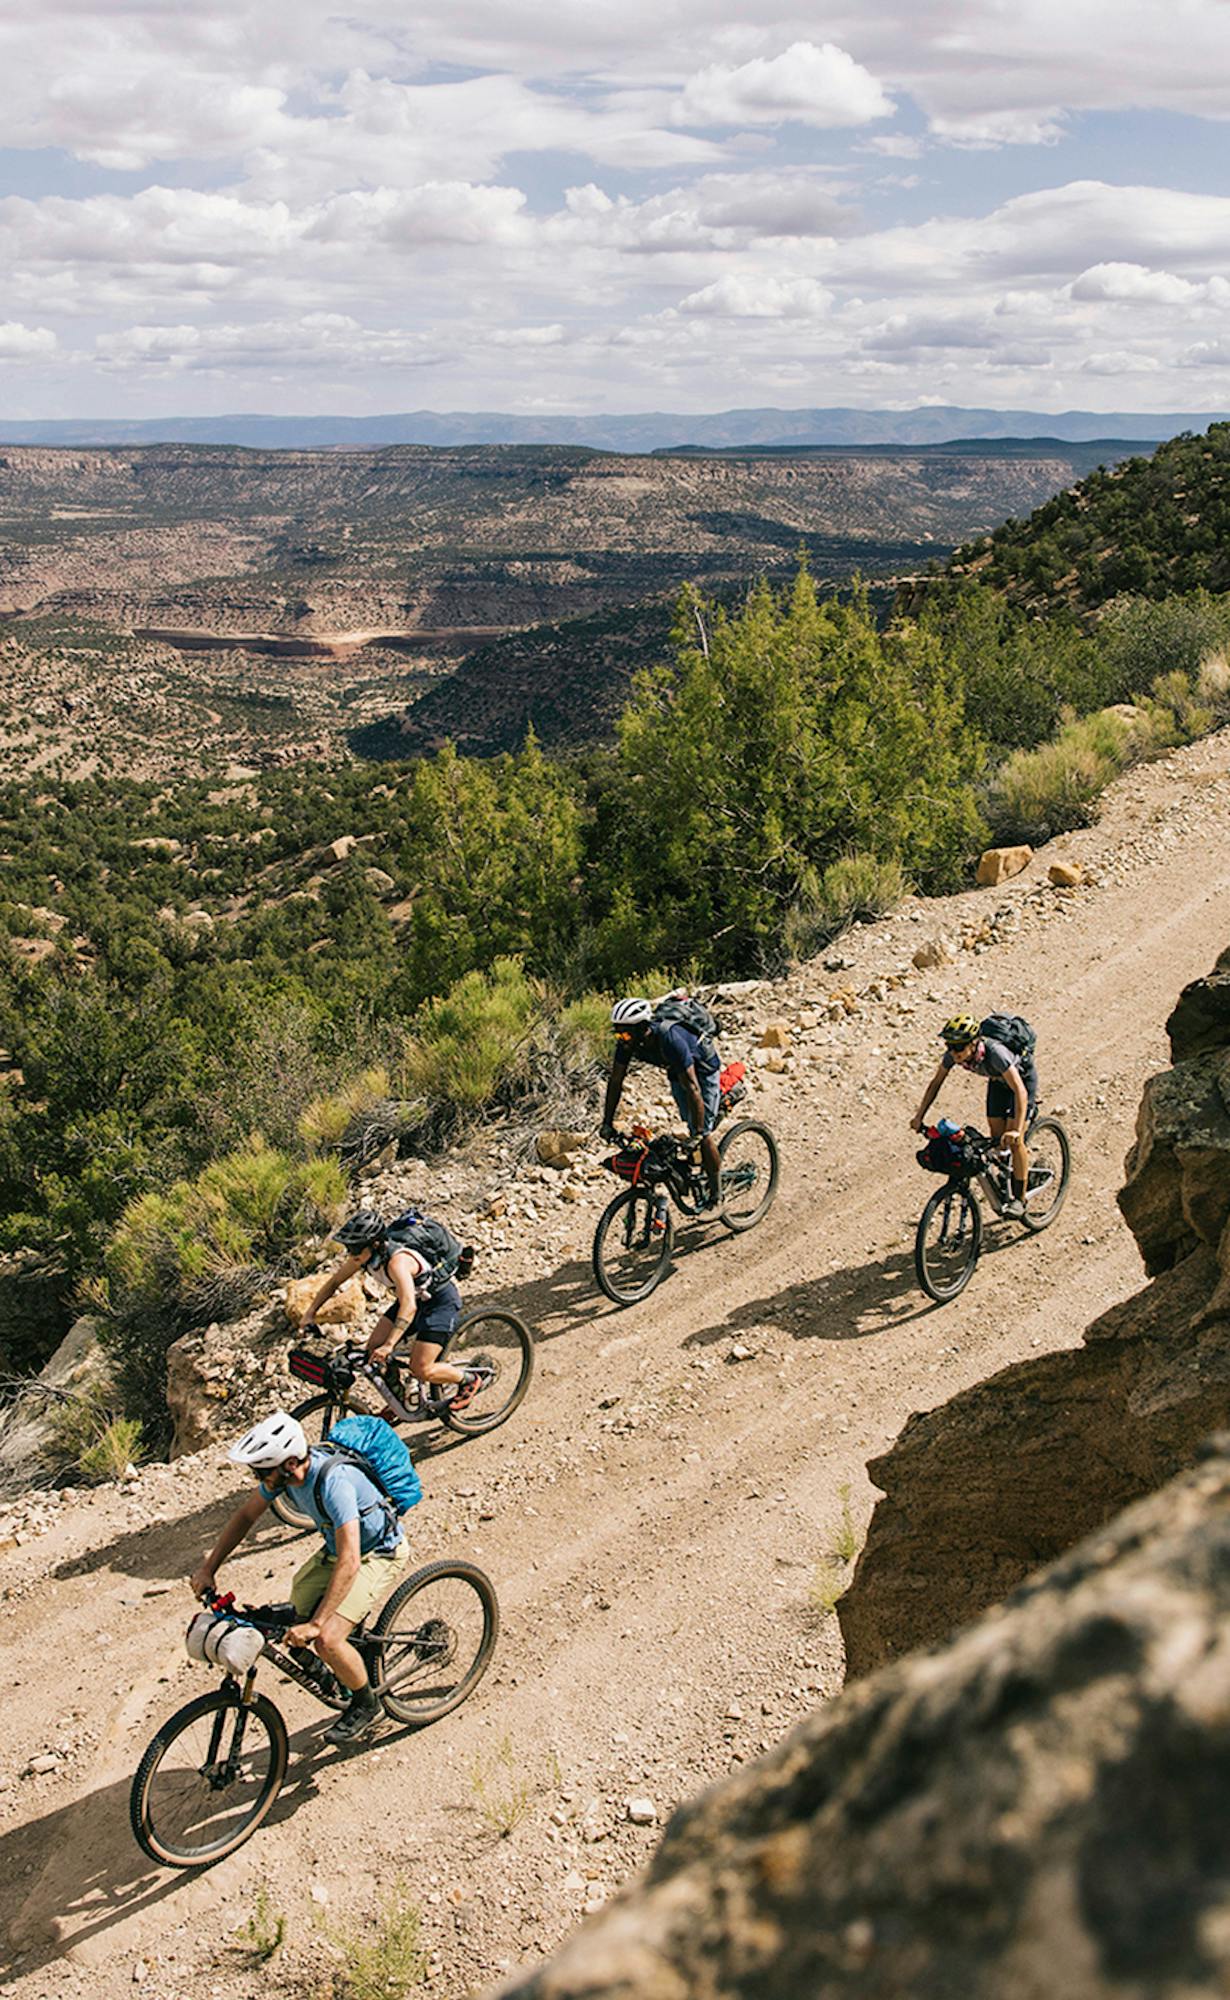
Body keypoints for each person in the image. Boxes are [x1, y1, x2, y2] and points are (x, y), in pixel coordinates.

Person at [190, 1410, 410, 1745]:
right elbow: (245, 1517)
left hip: (377, 1552)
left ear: (291, 1463)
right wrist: (209, 1567)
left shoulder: (334, 1483)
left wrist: (319, 1624)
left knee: (327, 1638)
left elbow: (351, 1561)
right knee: (290, 1617)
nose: (259, 1477)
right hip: (339, 1552)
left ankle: (367, 1703)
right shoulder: (284, 1479)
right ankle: (334, 1671)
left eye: (264, 1470)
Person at [303, 1209, 488, 1414]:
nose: (351, 1254)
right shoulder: (364, 1258)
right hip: (413, 1301)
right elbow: (334, 1282)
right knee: (372, 1348)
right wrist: (311, 1312)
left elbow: (409, 1306)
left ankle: (469, 1380)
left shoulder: (397, 1262)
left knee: (421, 1368)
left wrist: (390, 1345)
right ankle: (401, 1401)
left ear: (374, 1244)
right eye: (349, 1248)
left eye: (355, 1248)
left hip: (438, 1303)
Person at [910, 1013, 1038, 1218]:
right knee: (997, 1141)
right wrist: (919, 1116)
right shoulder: (953, 1055)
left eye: (959, 1047)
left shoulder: (996, 1053)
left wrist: (1016, 1129)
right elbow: (936, 1083)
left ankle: (1020, 1199)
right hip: (997, 1082)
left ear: (973, 1043)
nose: (954, 1052)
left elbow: (1020, 1091)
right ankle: (1007, 1180)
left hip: (1022, 1082)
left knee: (1015, 1141)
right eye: (949, 1046)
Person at [600, 996, 722, 1208]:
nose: (622, 1038)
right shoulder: (627, 1043)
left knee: (702, 1132)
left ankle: (717, 1194)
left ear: (643, 1028)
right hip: (677, 1068)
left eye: (626, 1032)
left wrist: (698, 1133)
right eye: (618, 1033)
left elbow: (693, 1087)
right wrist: (607, 1123)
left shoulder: (670, 1038)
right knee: (688, 1120)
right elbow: (616, 1081)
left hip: (703, 1068)